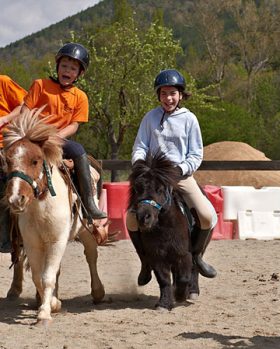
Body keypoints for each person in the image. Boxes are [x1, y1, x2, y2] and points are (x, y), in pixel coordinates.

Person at [126, 69, 217, 286]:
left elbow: (196, 154)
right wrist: (140, 165)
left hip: (180, 175)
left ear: (181, 95)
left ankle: (196, 257)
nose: (168, 98)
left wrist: (181, 169)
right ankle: (145, 262)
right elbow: (140, 146)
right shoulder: (150, 117)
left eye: (173, 93)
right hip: (153, 177)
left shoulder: (189, 119)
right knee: (131, 219)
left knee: (206, 215)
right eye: (164, 93)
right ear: (158, 95)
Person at [20, 42, 107, 221]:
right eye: (64, 66)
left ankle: (88, 203)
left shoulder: (80, 97)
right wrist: (31, 132)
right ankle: (5, 221)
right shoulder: (40, 85)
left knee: (79, 151)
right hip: (32, 136)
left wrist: (56, 136)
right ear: (57, 66)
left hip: (58, 139)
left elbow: (74, 125)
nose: (67, 71)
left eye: (73, 68)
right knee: (9, 158)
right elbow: (25, 112)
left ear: (79, 73)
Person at [0, 75, 27, 253]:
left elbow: (24, 105)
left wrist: (4, 119)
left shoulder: (3, 81)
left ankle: (5, 236)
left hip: (5, 143)